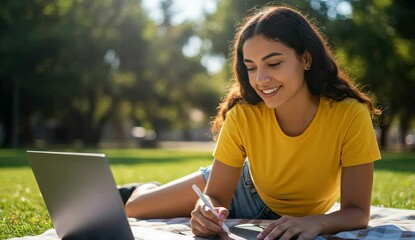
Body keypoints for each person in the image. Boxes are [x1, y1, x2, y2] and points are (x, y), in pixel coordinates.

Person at [124, 5, 381, 240]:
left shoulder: (350, 114)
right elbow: (216, 196)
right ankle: (142, 188)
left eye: (274, 63)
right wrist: (205, 209)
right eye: (251, 67)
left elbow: (357, 212)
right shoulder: (244, 113)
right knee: (134, 207)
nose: (260, 79)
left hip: (269, 191)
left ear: (306, 58)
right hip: (242, 185)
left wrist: (317, 223)